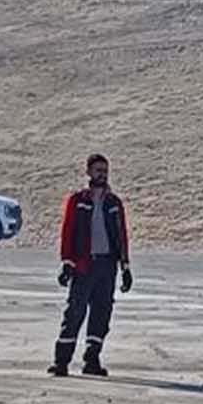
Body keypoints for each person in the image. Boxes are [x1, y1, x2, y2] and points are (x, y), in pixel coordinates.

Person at [52, 153, 133, 377]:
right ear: (88, 172)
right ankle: (61, 362)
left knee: (102, 312)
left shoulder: (114, 203)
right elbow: (68, 232)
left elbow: (122, 234)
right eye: (98, 170)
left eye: (105, 171)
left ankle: (92, 361)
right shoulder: (78, 200)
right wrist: (67, 263)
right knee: (74, 312)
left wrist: (125, 267)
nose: (102, 175)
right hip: (83, 265)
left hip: (107, 266)